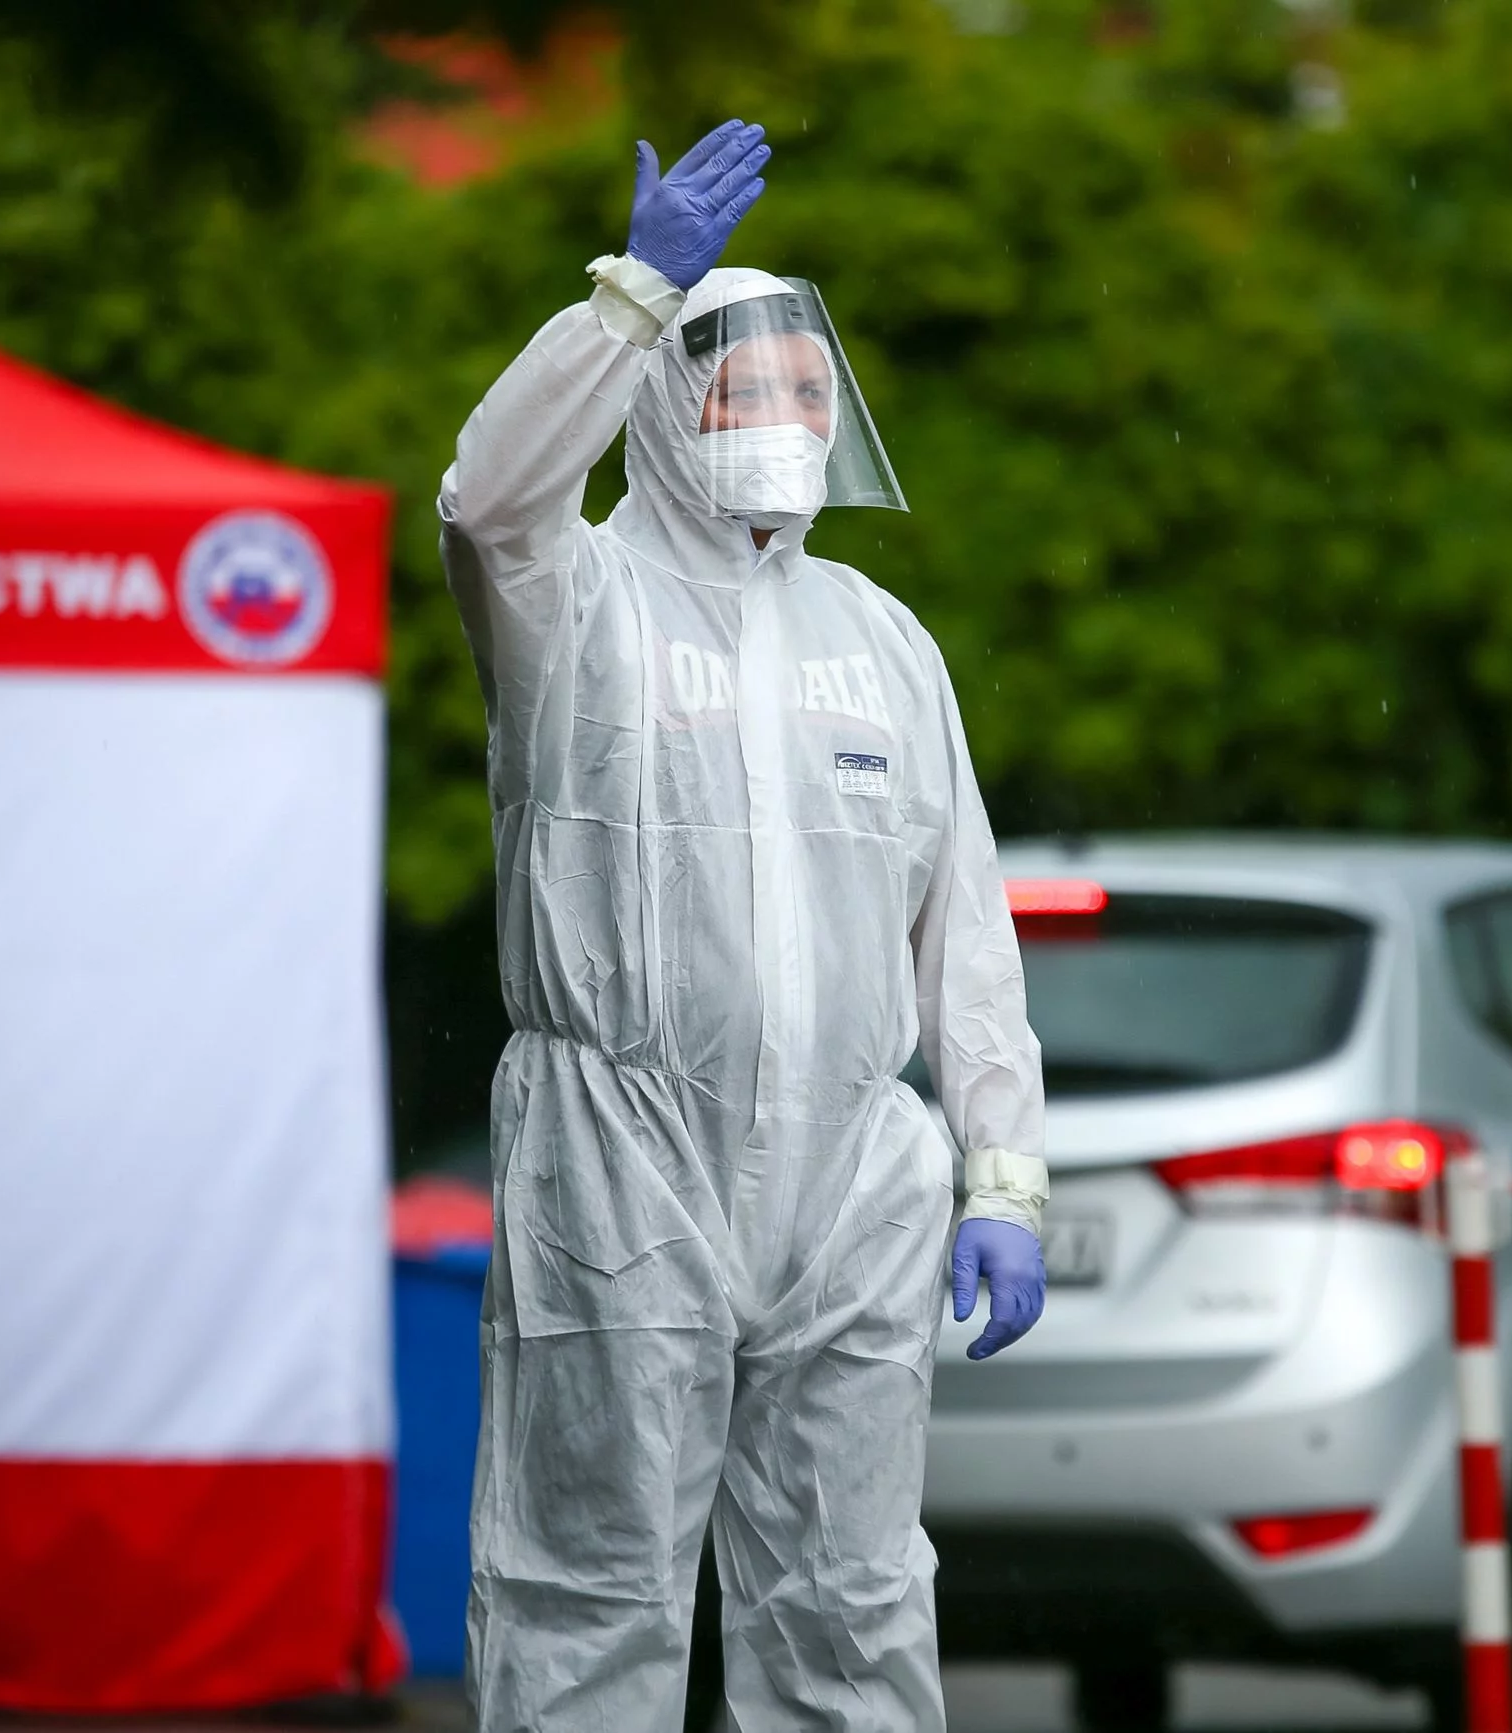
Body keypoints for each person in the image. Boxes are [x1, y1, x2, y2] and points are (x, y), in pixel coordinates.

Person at [441, 118, 1050, 1731]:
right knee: (590, 1593)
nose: (784, 416)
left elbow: (961, 931)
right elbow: (489, 492)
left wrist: (1002, 1174)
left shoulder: (881, 640)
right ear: (662, 403)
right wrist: (637, 294)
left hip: (853, 1179)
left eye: (805, 388)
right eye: (740, 383)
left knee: (851, 1600)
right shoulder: (572, 601)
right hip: (621, 1166)